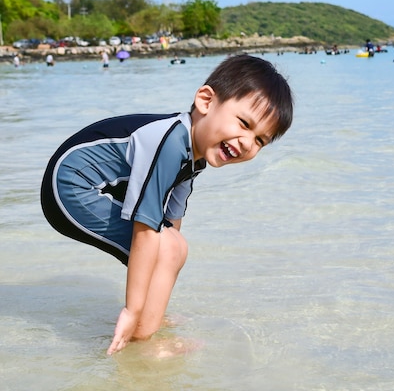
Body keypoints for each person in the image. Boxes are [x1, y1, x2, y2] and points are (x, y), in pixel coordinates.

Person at [40, 54, 294, 355]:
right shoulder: (170, 143)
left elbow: (171, 220)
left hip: (96, 187)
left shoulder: (195, 154)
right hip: (71, 187)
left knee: (174, 245)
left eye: (260, 141)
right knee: (163, 248)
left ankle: (151, 322)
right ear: (205, 100)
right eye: (243, 123)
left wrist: (161, 275)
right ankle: (142, 341)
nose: (246, 142)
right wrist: (134, 308)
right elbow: (147, 228)